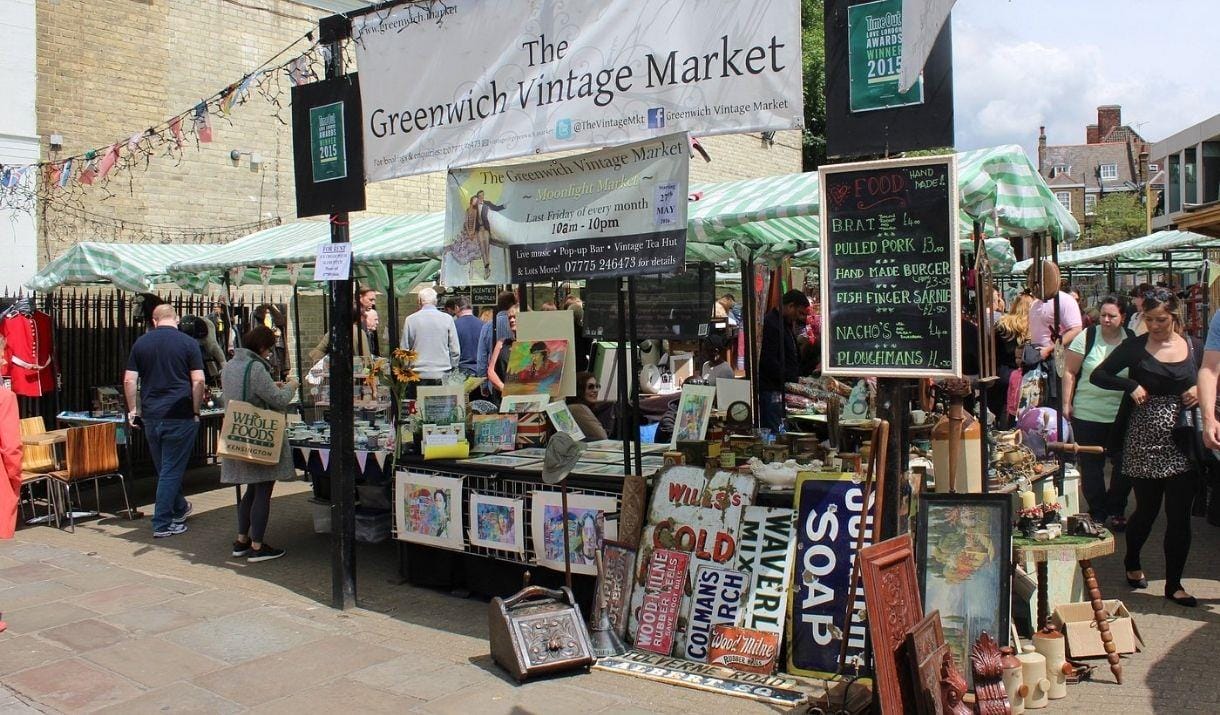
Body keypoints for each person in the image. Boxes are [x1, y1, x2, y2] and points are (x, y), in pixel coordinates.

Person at [1091, 289, 1201, 606]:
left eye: (1161, 320)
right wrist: (1131, 384)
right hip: (1144, 441)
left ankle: (1174, 584)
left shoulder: (1193, 347)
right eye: (1149, 319)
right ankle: (1133, 559)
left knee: (1179, 516)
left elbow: (1211, 375)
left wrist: (1196, 387)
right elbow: (1100, 374)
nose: (1154, 325)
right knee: (1146, 512)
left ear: (1175, 318)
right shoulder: (1135, 347)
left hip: (1182, 438)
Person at [124, 304, 204, 538]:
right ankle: (162, 522)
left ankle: (179, 508)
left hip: (151, 415)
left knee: (165, 468)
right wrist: (196, 410)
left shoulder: (141, 343)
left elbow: (129, 380)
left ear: (154, 320)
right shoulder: (188, 343)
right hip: (179, 414)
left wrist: (133, 410)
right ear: (176, 319)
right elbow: (198, 381)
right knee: (170, 470)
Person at [220, 326, 297, 563]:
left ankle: (242, 539)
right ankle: (257, 545)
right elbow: (279, 401)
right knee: (263, 490)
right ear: (262, 347)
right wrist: (292, 385)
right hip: (259, 437)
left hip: (237, 433)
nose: (270, 354)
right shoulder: (255, 369)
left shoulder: (230, 366)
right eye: (270, 349)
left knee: (250, 490)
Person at [1062, 296, 1134, 527]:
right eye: (1103, 314)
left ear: (1123, 317)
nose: (1106, 319)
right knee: (1092, 467)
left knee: (1124, 464)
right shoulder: (1087, 336)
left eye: (1112, 315)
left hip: (1121, 415)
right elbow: (1070, 371)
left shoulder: (1130, 340)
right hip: (1088, 413)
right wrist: (1066, 403)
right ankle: (1098, 511)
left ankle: (1117, 508)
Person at [758, 290, 810, 431]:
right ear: (790, 306)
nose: (798, 318)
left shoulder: (784, 324)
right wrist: (790, 377)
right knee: (774, 431)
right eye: (798, 313)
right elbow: (768, 360)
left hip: (780, 388)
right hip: (771, 389)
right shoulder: (772, 324)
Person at [991, 292, 1033, 428]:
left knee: (1003, 409)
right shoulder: (1031, 327)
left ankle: (1002, 432)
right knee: (1020, 411)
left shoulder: (1003, 325)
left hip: (1001, 372)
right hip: (1022, 375)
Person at [401, 287, 460, 383]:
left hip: (417, 373)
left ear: (419, 301)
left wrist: (406, 367)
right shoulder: (447, 319)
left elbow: (404, 349)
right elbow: (455, 349)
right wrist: (453, 366)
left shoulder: (410, 320)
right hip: (442, 372)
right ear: (436, 301)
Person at [0, 336, 23, 539]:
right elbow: (11, 447)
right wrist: (16, 477)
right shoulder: (5, 397)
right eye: (1, 356)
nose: (5, 361)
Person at [477, 291, 519, 387]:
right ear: (513, 303)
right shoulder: (518, 327)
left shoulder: (488, 327)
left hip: (497, 382)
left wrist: (483, 384)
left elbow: (482, 358)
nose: (512, 320)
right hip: (507, 382)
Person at [567, 372, 609, 441]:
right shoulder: (578, 408)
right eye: (590, 387)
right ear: (580, 390)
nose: (595, 390)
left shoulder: (572, 407)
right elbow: (602, 436)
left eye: (597, 386)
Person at [486, 306, 519, 394]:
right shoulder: (501, 342)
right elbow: (491, 370)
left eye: (515, 317)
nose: (512, 320)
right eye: (510, 318)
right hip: (504, 395)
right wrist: (503, 388)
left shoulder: (531, 343)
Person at [453, 296, 484, 377]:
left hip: (461, 371)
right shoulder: (483, 325)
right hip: (480, 370)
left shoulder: (454, 325)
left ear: (457, 308)